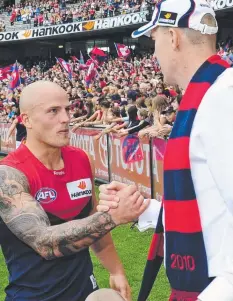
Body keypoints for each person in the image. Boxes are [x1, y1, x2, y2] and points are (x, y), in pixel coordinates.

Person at [97, 0, 233, 301]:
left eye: (154, 40)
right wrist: (144, 209)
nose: (153, 52)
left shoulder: (223, 96)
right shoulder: (209, 94)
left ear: (173, 37)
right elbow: (211, 214)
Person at [0, 81, 150, 301]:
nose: (66, 118)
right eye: (53, 111)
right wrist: (112, 216)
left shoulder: (81, 159)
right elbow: (44, 242)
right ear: (26, 120)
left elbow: (91, 218)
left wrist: (115, 269)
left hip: (85, 291)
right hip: (32, 296)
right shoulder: (10, 175)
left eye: (67, 109)